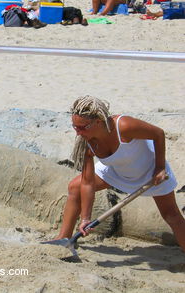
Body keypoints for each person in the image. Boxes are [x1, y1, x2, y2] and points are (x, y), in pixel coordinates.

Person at [52, 95, 185, 252]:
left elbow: (158, 134)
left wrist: (160, 167)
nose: (78, 133)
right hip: (116, 171)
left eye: (82, 127)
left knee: (171, 215)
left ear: (98, 121)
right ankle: (64, 240)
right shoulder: (87, 142)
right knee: (75, 187)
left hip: (150, 172)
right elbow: (87, 183)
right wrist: (85, 218)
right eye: (75, 127)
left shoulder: (124, 126)